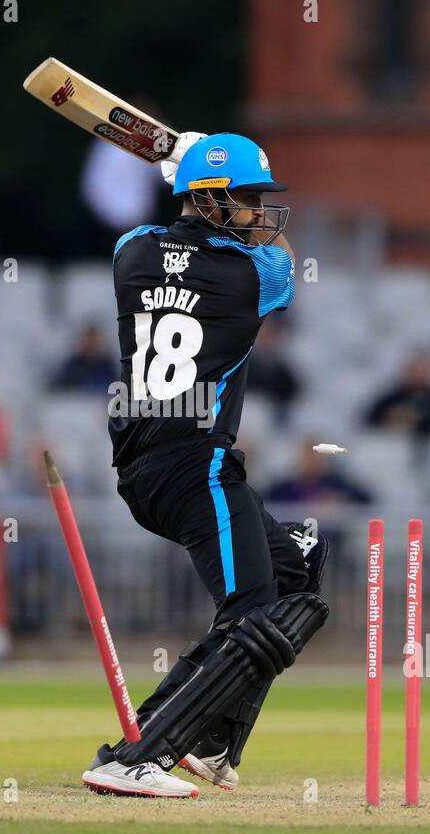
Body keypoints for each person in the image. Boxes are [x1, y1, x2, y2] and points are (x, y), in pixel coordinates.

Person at [80, 132, 330, 799]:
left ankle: (216, 743)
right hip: (198, 465)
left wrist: (188, 177)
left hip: (142, 466)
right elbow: (286, 262)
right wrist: (192, 172)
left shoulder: (130, 253)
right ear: (213, 200)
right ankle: (139, 753)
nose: (260, 215)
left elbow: (157, 242)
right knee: (250, 612)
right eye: (248, 201)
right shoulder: (252, 275)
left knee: (295, 568)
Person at [362, 354, 430, 439]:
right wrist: (392, 418)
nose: (417, 376)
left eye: (421, 372)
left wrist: (416, 422)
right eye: (414, 371)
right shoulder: (393, 396)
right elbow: (372, 417)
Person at [266, 439, 372, 505]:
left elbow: (365, 499)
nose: (310, 461)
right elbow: (269, 504)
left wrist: (341, 498)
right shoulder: (284, 487)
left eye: (315, 456)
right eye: (306, 456)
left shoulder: (336, 484)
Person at [50, 325, 117, 394]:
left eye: (94, 341)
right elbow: (60, 385)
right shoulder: (73, 365)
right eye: (88, 341)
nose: (91, 345)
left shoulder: (107, 366)